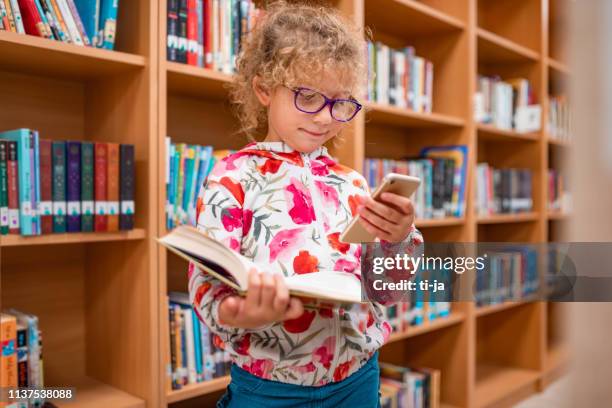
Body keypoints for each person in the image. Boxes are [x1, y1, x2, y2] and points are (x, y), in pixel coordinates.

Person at [187, 2, 423, 406]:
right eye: (309, 97)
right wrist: (246, 314)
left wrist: (398, 239)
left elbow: (386, 291)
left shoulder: (353, 184)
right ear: (264, 89)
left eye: (341, 103)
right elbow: (206, 286)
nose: (325, 119)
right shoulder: (232, 178)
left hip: (357, 379)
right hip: (269, 387)